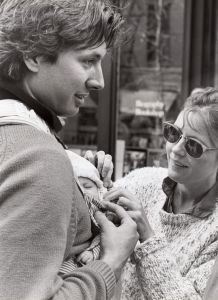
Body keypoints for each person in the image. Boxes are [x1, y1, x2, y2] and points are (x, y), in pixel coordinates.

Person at [0, 1, 139, 299]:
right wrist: (111, 261)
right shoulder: (37, 157)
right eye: (88, 61)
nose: (99, 81)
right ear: (34, 55)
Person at [104, 87, 218, 299]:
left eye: (193, 146)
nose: (176, 149)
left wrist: (148, 238)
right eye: (173, 133)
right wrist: (94, 180)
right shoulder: (142, 181)